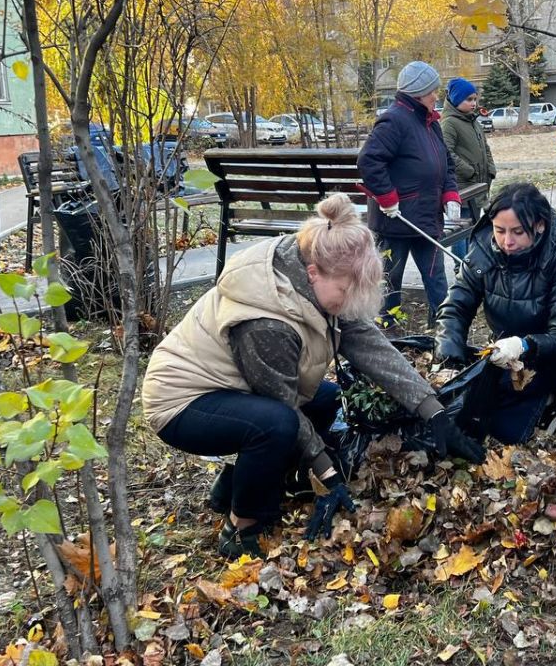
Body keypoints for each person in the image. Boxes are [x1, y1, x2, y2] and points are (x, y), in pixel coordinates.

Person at [141, 194, 484, 559]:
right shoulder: (267, 323)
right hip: (182, 402)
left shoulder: (316, 264)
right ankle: (240, 527)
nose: (351, 300)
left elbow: (372, 347)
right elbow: (283, 404)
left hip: (232, 387)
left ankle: (233, 486)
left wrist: (433, 411)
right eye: (345, 290)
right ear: (313, 274)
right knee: (276, 425)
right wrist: (329, 476)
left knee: (325, 399)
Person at [435, 182, 556, 444]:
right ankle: (553, 402)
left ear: (540, 225)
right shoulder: (481, 251)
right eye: (499, 230)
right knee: (504, 432)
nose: (507, 241)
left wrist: (523, 344)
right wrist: (447, 355)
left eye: (517, 232)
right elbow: (457, 305)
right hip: (519, 358)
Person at [359, 61, 461, 328]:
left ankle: (443, 329)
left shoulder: (430, 122)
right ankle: (387, 332)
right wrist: (387, 198)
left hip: (426, 218)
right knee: (390, 283)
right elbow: (369, 161)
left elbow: (446, 162)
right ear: (417, 93)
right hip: (397, 221)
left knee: (436, 277)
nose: (436, 96)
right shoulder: (394, 120)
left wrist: (450, 194)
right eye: (432, 91)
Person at [440, 77, 496, 262]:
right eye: (469, 99)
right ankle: (461, 264)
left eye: (475, 99)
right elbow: (446, 152)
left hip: (478, 184)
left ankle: (472, 261)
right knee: (461, 228)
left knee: (474, 226)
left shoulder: (473, 121)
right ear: (456, 100)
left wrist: (490, 168)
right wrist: (468, 171)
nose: (473, 103)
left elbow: (484, 147)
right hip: (462, 186)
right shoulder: (449, 123)